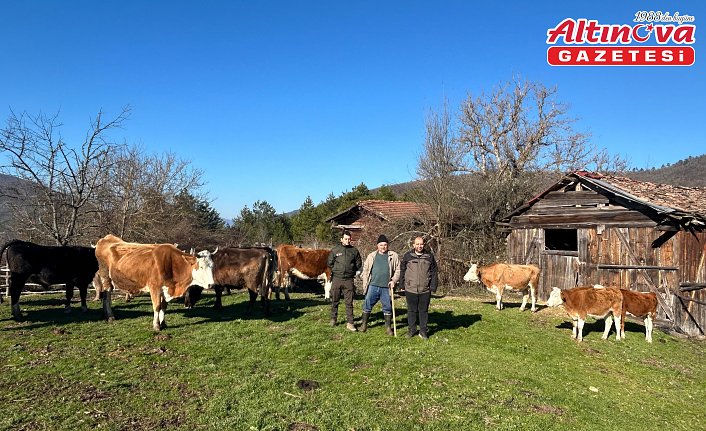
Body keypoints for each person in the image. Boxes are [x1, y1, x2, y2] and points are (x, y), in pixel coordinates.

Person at [360, 234, 400, 335]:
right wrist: (365, 282)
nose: (383, 247)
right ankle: (364, 324)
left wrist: (394, 280)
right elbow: (365, 270)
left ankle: (388, 328)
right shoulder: (371, 256)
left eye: (385, 245)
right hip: (373, 285)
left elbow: (399, 270)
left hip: (386, 287)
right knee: (367, 304)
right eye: (381, 245)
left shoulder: (393, 256)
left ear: (388, 245)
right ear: (377, 245)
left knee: (387, 307)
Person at [398, 236, 438, 339]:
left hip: (425, 289)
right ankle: (412, 329)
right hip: (410, 288)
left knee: (423, 311)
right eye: (417, 244)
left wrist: (433, 285)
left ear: (424, 245)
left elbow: (434, 272)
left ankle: (423, 331)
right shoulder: (408, 256)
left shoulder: (429, 256)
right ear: (413, 245)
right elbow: (402, 270)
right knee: (411, 310)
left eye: (421, 244)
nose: (419, 246)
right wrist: (401, 284)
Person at [327, 230, 363, 331]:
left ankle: (350, 322)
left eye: (349, 239)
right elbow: (329, 263)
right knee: (335, 300)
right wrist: (336, 270)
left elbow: (359, 264)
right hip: (337, 279)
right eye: (345, 239)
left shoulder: (354, 251)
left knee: (349, 302)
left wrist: (354, 272)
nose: (347, 241)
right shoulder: (335, 250)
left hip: (348, 280)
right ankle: (333, 319)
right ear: (341, 239)